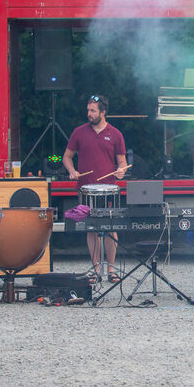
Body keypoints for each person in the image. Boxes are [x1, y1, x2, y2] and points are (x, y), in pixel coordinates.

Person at [63, 95, 129, 283]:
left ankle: (111, 269)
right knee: (91, 228)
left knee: (110, 228)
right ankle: (95, 268)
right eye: (88, 110)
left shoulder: (115, 134)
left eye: (93, 110)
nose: (89, 114)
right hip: (86, 189)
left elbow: (122, 162)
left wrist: (121, 171)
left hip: (109, 189)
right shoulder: (79, 132)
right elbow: (66, 157)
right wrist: (72, 171)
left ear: (103, 112)